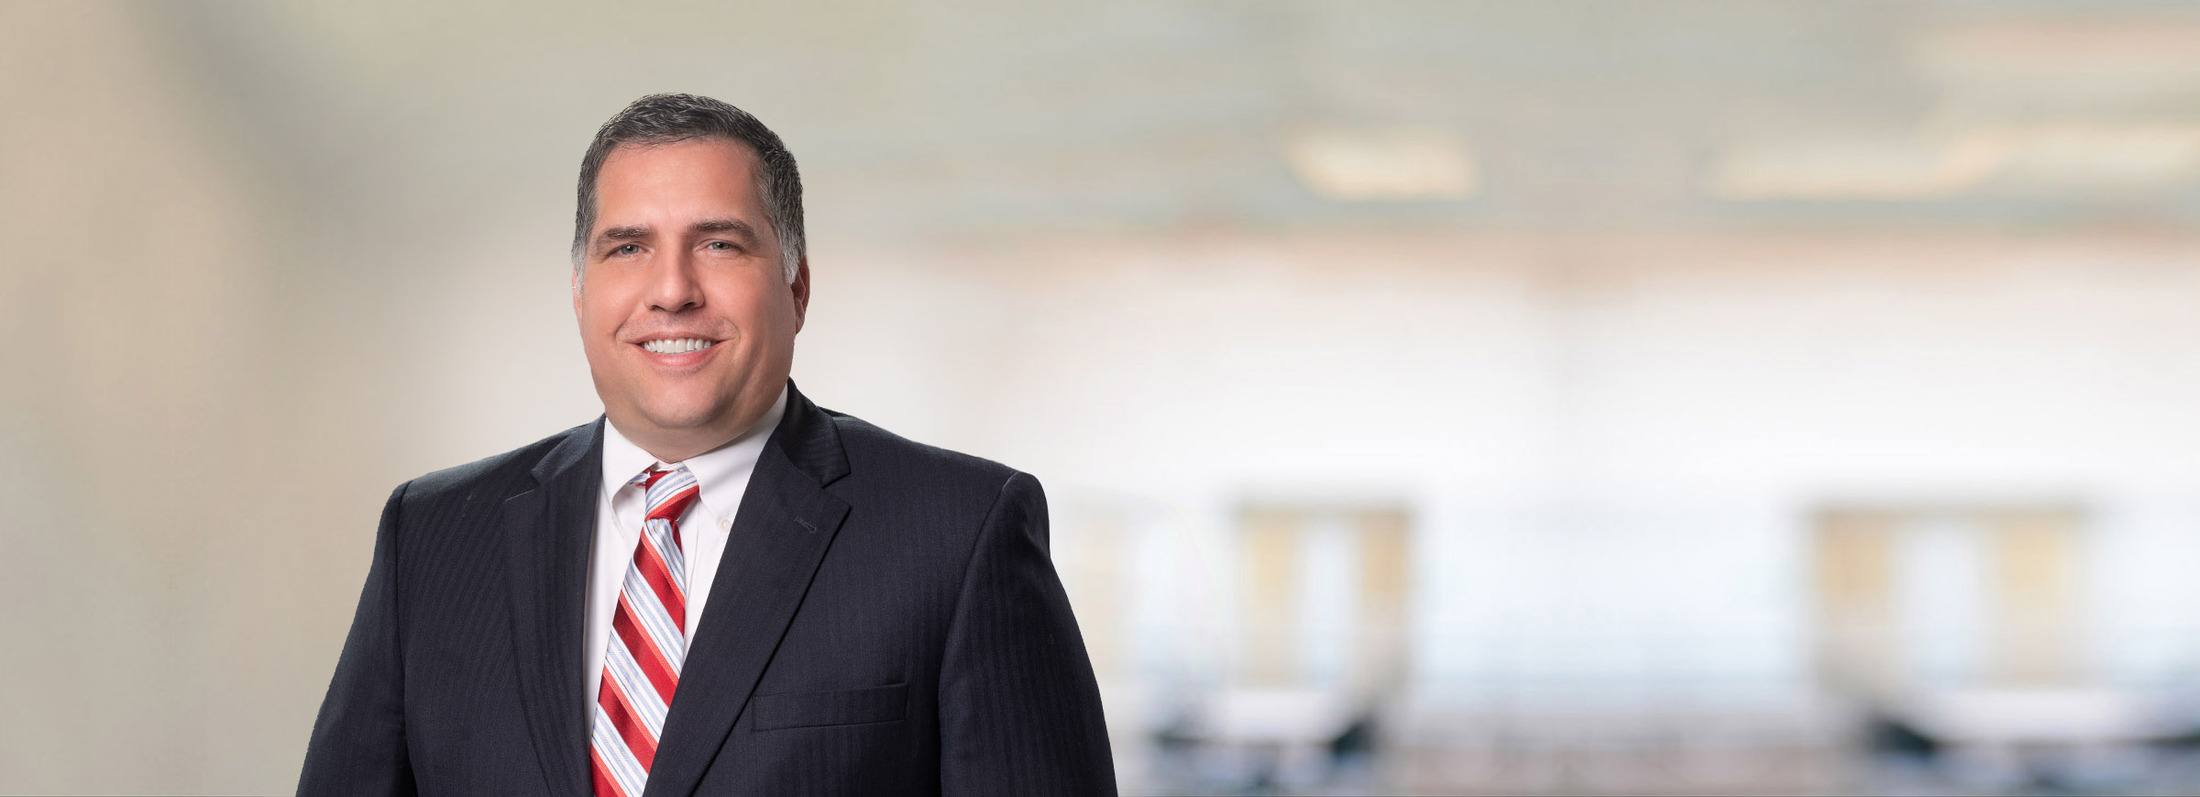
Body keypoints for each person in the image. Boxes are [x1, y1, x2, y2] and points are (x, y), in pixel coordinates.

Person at [298, 93, 1115, 796]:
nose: (672, 290)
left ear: (796, 286)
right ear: (581, 293)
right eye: (628, 247)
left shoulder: (959, 534)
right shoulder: (434, 537)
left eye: (719, 243)